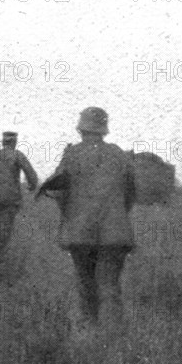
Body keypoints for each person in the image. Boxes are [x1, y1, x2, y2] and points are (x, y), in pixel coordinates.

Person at [37, 107, 135, 332]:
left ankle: (89, 333)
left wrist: (72, 215)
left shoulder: (72, 154)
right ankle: (113, 338)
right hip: (115, 232)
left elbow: (59, 190)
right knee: (110, 285)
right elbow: (130, 194)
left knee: (86, 283)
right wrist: (117, 216)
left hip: (80, 232)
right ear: (104, 130)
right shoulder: (119, 154)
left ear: (81, 128)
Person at [0, 131, 38, 269]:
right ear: (14, 142)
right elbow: (31, 175)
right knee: (4, 233)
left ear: (3, 142)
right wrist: (32, 186)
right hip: (9, 201)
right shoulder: (17, 155)